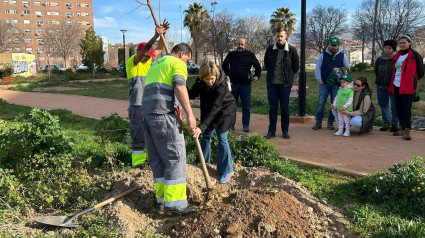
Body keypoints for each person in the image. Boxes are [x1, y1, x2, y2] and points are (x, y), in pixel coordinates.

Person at [141, 43, 197, 215]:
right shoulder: (177, 63)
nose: (186, 65)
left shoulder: (156, 64)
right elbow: (180, 87)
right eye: (187, 60)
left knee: (157, 160)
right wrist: (190, 114)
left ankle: (161, 200)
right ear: (182, 54)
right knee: (175, 158)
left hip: (148, 117)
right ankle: (176, 205)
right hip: (164, 117)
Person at [126, 21, 169, 167]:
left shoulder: (149, 61)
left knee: (152, 136)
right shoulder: (132, 62)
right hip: (137, 106)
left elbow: (159, 49)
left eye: (149, 56)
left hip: (150, 107)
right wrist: (154, 36)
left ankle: (152, 163)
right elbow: (145, 51)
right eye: (146, 55)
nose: (148, 58)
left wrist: (163, 34)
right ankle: (137, 165)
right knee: (138, 136)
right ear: (139, 53)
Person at [189, 62, 236, 183]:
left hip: (225, 111)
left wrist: (201, 126)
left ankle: (227, 170)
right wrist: (180, 88)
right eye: (207, 79)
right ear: (202, 77)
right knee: (206, 136)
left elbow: (216, 107)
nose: (210, 82)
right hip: (208, 110)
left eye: (212, 79)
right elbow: (192, 94)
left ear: (216, 76)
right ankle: (202, 164)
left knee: (222, 137)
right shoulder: (200, 81)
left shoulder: (222, 84)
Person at [263, 27, 299, 139]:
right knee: (273, 108)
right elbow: (267, 64)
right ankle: (271, 131)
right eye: (278, 36)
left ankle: (285, 131)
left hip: (285, 85)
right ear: (275, 36)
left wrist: (288, 76)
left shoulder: (292, 50)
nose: (279, 38)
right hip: (272, 84)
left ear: (286, 37)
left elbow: (295, 67)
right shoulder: (269, 50)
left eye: (281, 36)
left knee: (284, 108)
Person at [389, 34, 424, 140]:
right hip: (396, 84)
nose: (402, 45)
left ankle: (407, 130)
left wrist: (412, 78)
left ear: (409, 43)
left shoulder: (415, 55)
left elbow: (421, 72)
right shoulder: (398, 55)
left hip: (408, 86)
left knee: (406, 109)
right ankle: (401, 127)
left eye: (404, 42)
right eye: (400, 43)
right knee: (398, 108)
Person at [222, 38, 261, 132]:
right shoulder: (231, 55)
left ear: (245, 45)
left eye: (242, 44)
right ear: (236, 45)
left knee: (246, 106)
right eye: (239, 44)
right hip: (233, 85)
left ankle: (246, 125)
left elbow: (258, 67)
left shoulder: (250, 55)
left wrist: (257, 76)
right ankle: (231, 125)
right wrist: (229, 74)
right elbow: (224, 65)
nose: (240, 46)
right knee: (231, 106)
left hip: (246, 85)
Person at [313, 37, 350, 131]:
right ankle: (318, 123)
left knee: (334, 104)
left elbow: (348, 69)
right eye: (332, 45)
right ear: (329, 44)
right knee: (321, 103)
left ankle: (330, 123)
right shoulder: (323, 55)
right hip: (324, 83)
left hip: (336, 84)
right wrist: (319, 80)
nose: (333, 47)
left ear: (338, 45)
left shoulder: (342, 56)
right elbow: (318, 67)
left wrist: (338, 71)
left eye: (335, 45)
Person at [374, 39, 399, 132]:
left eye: (389, 48)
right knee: (383, 105)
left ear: (393, 49)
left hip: (392, 86)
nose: (387, 50)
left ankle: (395, 123)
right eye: (385, 48)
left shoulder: (396, 60)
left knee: (394, 106)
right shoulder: (379, 60)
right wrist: (380, 79)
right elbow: (376, 71)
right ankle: (386, 122)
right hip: (380, 86)